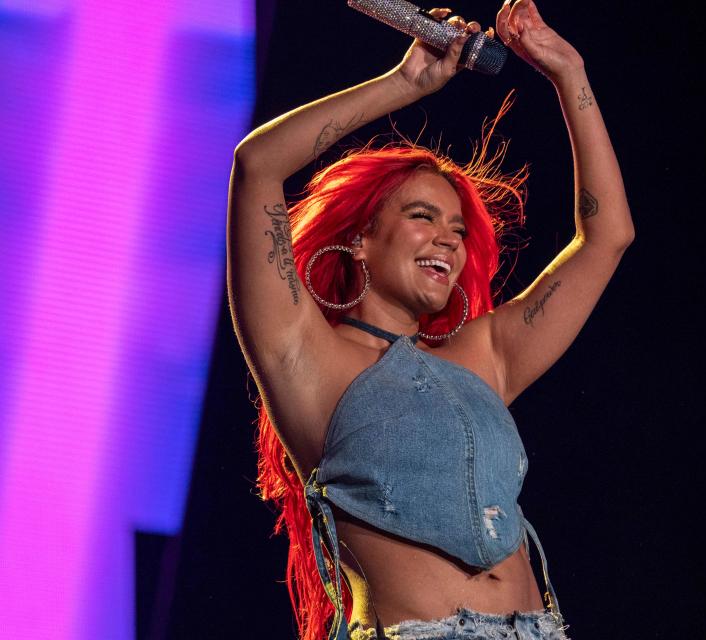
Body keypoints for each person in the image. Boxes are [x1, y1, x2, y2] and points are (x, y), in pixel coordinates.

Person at [227, 1, 633, 638]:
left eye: (458, 230)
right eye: (423, 216)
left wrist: (568, 72)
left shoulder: (487, 355)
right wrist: (405, 83)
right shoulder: (305, 355)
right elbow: (259, 165)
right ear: (361, 239)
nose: (447, 240)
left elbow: (607, 234)